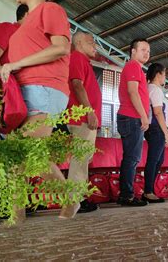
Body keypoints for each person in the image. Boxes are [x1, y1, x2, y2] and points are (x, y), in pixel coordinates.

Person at [0, 0, 73, 220]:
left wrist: (16, 63)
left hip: (45, 89)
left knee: (20, 156)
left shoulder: (49, 9)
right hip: (25, 94)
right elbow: (9, 70)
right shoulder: (22, 29)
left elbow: (61, 48)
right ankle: (19, 220)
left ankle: (64, 203)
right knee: (26, 159)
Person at [66, 31, 102, 213]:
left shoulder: (83, 61)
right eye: (91, 42)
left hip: (84, 118)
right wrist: (89, 112)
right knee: (80, 159)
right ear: (79, 43)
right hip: (81, 118)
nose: (95, 45)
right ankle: (75, 200)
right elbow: (77, 85)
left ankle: (79, 197)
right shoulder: (77, 58)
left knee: (83, 158)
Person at [116, 38, 150, 207]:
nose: (146, 53)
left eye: (148, 51)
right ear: (133, 51)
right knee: (132, 158)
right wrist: (144, 116)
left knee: (130, 157)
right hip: (132, 117)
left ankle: (126, 193)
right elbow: (132, 92)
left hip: (130, 117)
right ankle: (127, 195)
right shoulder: (133, 66)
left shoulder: (136, 68)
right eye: (143, 49)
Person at [142, 62, 168, 203]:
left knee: (157, 160)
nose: (165, 77)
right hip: (156, 128)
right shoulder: (155, 89)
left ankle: (149, 189)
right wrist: (166, 133)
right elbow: (158, 112)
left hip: (153, 128)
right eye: (164, 74)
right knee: (154, 161)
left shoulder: (149, 88)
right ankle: (148, 191)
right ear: (158, 74)